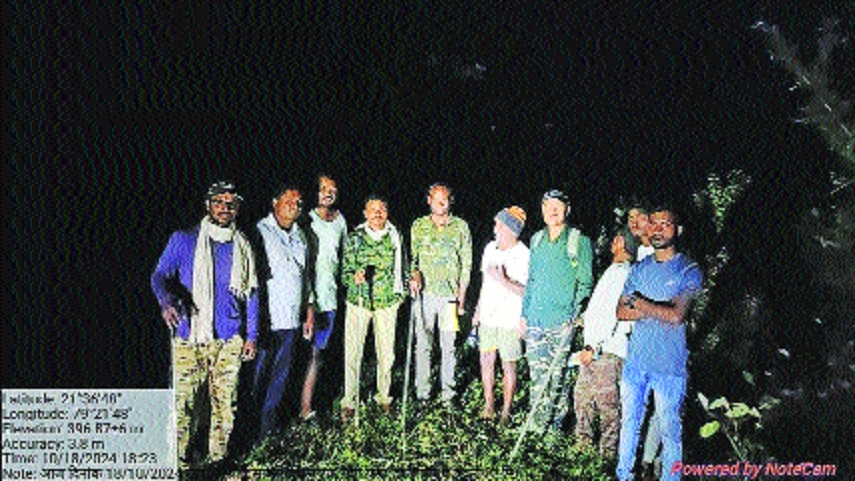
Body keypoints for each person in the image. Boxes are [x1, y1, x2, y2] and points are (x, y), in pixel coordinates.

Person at [151, 181, 258, 468]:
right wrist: (166, 300)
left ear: (237, 209)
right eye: (219, 202)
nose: (225, 207)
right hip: (189, 335)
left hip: (229, 340)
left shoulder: (243, 245)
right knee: (183, 406)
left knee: (225, 407)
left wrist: (252, 335)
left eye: (231, 203)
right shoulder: (184, 239)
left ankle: (216, 461)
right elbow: (159, 275)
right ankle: (177, 463)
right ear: (208, 205)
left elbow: (252, 293)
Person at [615, 206, 703, 481]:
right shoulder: (640, 268)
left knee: (670, 432)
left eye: (665, 224)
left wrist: (639, 303)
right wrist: (656, 308)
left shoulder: (689, 269)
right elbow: (620, 311)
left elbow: (677, 315)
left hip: (669, 367)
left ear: (677, 230)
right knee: (629, 424)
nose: (658, 229)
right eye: (653, 223)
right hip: (636, 361)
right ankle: (623, 475)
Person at [520, 189, 593, 433]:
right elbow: (531, 280)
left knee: (557, 377)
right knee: (536, 375)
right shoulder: (536, 240)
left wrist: (575, 314)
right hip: (535, 320)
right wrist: (524, 314)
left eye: (558, 206)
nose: (553, 211)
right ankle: (535, 426)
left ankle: (554, 429)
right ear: (542, 211)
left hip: (561, 322)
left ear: (567, 209)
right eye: (548, 206)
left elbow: (585, 282)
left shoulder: (578, 241)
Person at [250, 184, 313, 439]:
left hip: (291, 319)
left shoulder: (301, 235)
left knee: (281, 376)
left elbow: (305, 276)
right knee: (257, 376)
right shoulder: (260, 232)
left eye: (298, 203)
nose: (294, 207)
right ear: (274, 201)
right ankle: (247, 428)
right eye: (288, 201)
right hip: (267, 319)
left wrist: (308, 311)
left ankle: (268, 429)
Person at [572, 228, 639, 460]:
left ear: (621, 243)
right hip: (594, 348)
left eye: (615, 238)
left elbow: (614, 313)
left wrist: (595, 347)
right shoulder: (614, 270)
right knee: (583, 398)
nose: (612, 242)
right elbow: (599, 310)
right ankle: (583, 451)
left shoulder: (623, 273)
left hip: (608, 351)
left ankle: (608, 457)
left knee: (607, 405)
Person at [341, 195, 406, 421]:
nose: (377, 213)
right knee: (353, 352)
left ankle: (384, 397)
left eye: (382, 209)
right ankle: (349, 400)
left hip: (387, 302)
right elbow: (344, 272)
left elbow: (404, 267)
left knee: (386, 354)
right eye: (373, 209)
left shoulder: (395, 236)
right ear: (365, 213)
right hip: (359, 301)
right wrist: (354, 277)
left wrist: (401, 295)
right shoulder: (355, 238)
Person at [409, 183, 473, 404]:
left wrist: (461, 299)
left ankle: (448, 395)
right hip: (424, 295)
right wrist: (414, 274)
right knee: (423, 345)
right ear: (429, 200)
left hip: (449, 298)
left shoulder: (461, 227)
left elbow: (466, 265)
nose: (440, 203)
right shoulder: (418, 226)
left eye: (444, 199)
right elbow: (412, 259)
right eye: (436, 199)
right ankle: (422, 394)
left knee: (449, 346)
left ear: (450, 201)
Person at [472, 206, 530, 426]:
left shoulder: (524, 254)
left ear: (510, 229)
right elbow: (485, 283)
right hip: (488, 317)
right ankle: (489, 405)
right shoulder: (490, 249)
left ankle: (506, 410)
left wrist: (505, 280)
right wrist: (478, 310)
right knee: (486, 360)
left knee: (508, 365)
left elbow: (527, 292)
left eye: (499, 225)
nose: (495, 228)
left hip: (510, 321)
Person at [299, 174, 347, 421]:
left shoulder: (340, 221)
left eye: (333, 189)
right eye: (324, 189)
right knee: (299, 354)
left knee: (318, 354)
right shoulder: (305, 219)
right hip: (305, 298)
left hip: (329, 298)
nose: (329, 193)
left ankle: (306, 408)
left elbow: (345, 257)